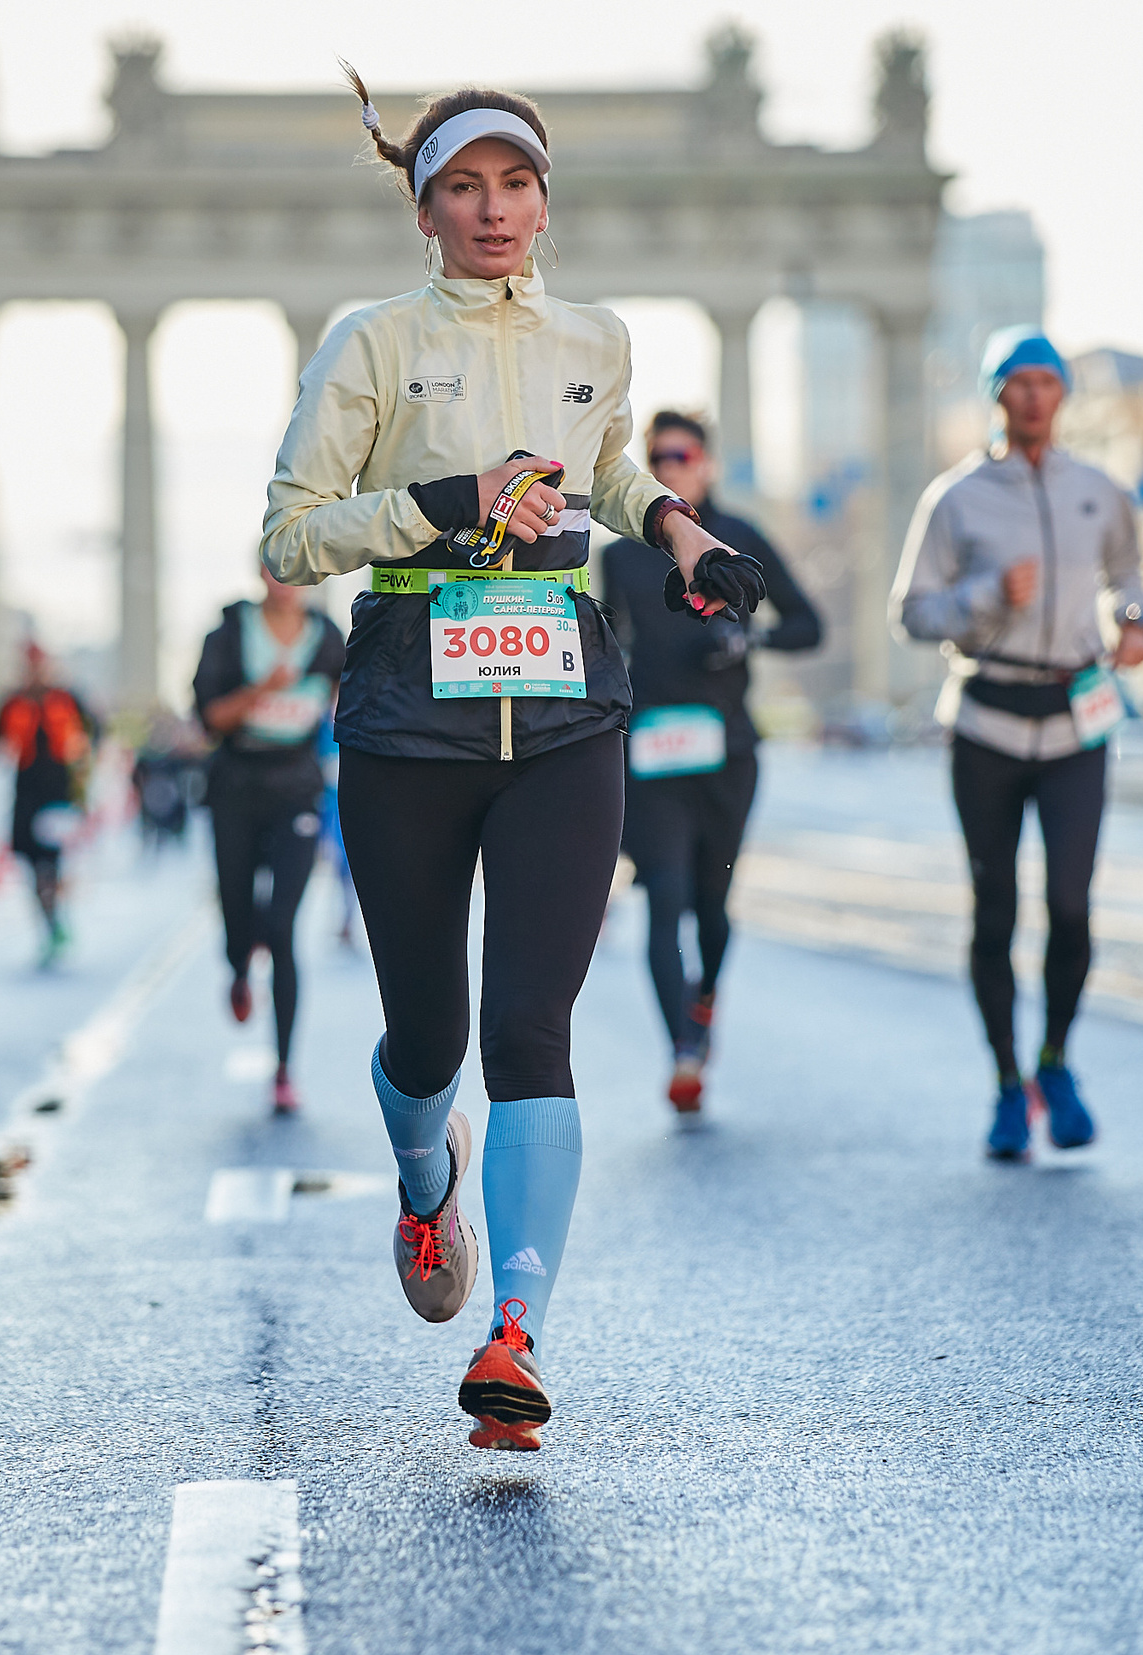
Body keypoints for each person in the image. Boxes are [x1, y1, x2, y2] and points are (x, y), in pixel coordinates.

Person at [263, 70, 766, 1450]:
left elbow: (602, 469)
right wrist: (442, 506)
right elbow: (289, 534)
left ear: (547, 200)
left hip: (563, 716)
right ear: (425, 208)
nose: (497, 211)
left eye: (518, 184)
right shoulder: (369, 343)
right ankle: (430, 1176)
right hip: (409, 714)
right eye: (466, 188)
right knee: (429, 1039)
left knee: (530, 1028)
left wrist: (678, 532)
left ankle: (518, 1331)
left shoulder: (596, 334)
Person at [891, 326, 1143, 1161]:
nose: (1034, 396)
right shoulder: (957, 498)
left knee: (1071, 905)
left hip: (1075, 718)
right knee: (994, 910)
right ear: (996, 395)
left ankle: (1055, 1062)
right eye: (1018, 382)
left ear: (1063, 395)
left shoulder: (1103, 492)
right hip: (988, 719)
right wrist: (984, 595)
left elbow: (1129, 580)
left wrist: (1134, 622)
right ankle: (1007, 1084)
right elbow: (912, 612)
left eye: (1048, 382)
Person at [600, 410, 820, 1114]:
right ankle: (682, 1052)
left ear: (708, 463)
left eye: (682, 454)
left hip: (727, 747)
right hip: (653, 749)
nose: (668, 467)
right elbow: (607, 640)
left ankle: (705, 1000)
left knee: (712, 905)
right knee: (664, 895)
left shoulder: (743, 538)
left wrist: (748, 643)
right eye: (656, 456)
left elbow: (806, 622)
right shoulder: (624, 554)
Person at [192, 557, 347, 1116]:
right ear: (262, 573)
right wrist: (263, 688)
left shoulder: (329, 639)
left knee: (282, 927)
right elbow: (211, 718)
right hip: (236, 784)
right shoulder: (229, 634)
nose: (289, 583)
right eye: (279, 570)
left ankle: (284, 1069)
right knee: (238, 909)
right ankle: (237, 966)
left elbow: (348, 701)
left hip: (295, 789)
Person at [0, 643, 97, 963]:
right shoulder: (11, 702)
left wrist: (83, 783)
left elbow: (95, 734)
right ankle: (50, 921)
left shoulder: (68, 699)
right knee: (31, 864)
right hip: (25, 793)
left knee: (50, 865)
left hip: (59, 794)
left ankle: (55, 921)